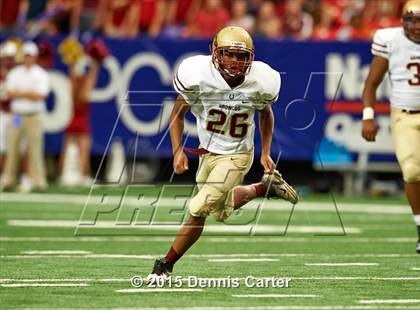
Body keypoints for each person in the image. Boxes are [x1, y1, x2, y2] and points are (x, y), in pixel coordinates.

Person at [147, 26, 299, 281]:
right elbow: (177, 113)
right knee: (222, 211)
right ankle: (264, 188)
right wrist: (177, 151)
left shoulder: (261, 81)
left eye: (242, 56)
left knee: (198, 207)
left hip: (238, 154)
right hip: (208, 153)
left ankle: (165, 265)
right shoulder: (198, 75)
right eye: (229, 54)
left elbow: (265, 112)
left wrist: (265, 152)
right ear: (215, 53)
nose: (236, 62)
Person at [361, 0, 420, 254]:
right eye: (411, 21)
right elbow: (372, 84)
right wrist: (368, 115)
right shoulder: (390, 40)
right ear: (403, 21)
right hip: (404, 116)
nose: (416, 27)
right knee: (411, 171)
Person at [1, 41, 50, 192]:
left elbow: (40, 96)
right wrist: (29, 93)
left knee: (35, 148)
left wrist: (21, 94)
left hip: (33, 116)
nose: (28, 58)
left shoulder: (41, 74)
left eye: (30, 56)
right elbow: (9, 93)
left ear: (34, 57)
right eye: (26, 55)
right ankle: (8, 179)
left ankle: (39, 181)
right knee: (12, 146)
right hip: (17, 115)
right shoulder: (15, 73)